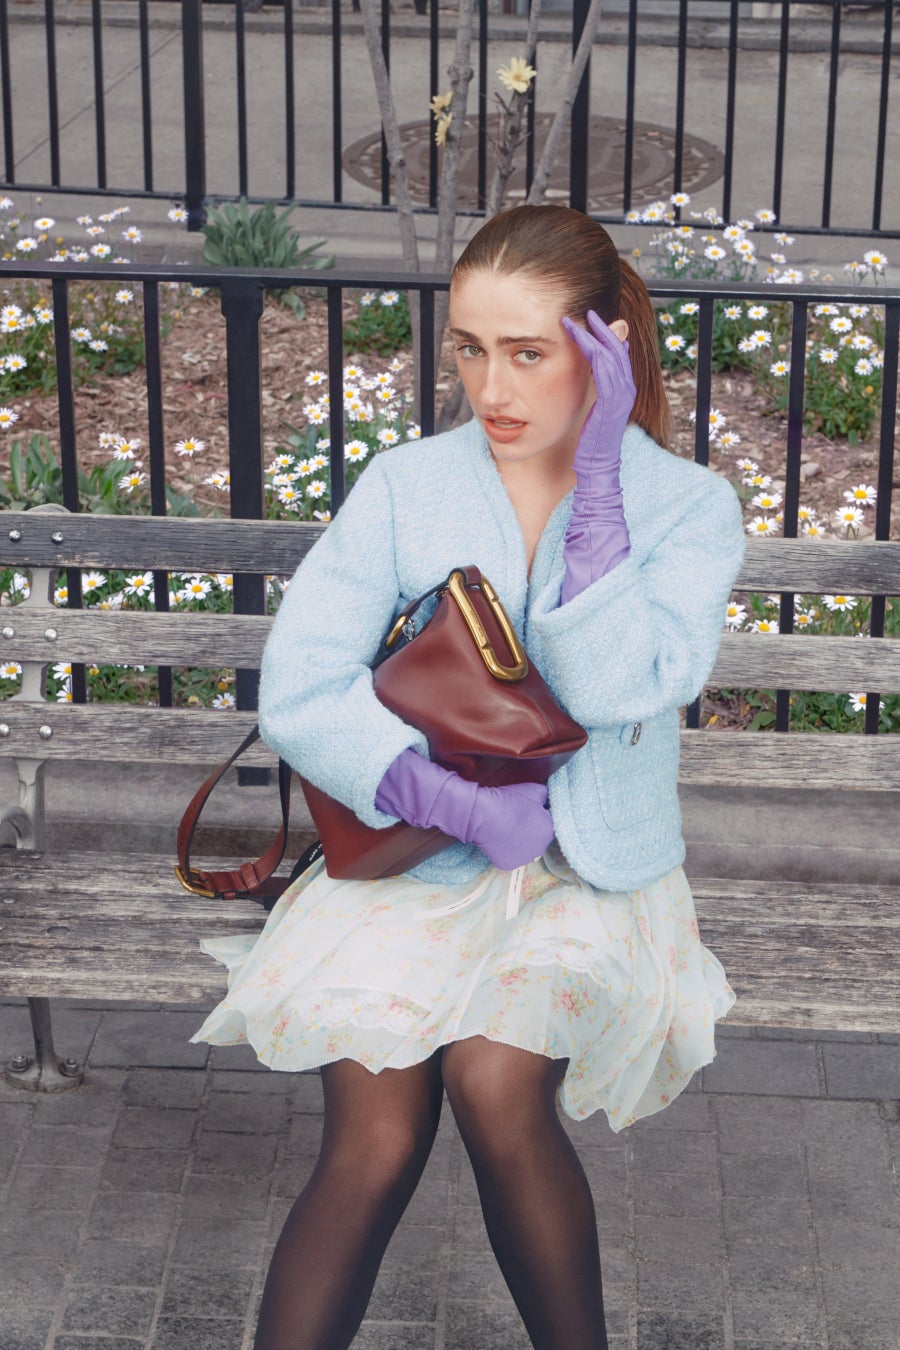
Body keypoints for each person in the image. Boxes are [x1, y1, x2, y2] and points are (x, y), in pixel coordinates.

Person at [190, 203, 746, 1350]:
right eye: (472, 349)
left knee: (495, 1084)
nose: (493, 388)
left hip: (591, 875)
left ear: (604, 349)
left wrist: (600, 495)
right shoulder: (409, 484)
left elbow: (618, 689)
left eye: (528, 353)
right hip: (414, 858)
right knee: (377, 1133)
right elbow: (299, 686)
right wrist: (449, 800)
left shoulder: (688, 510)